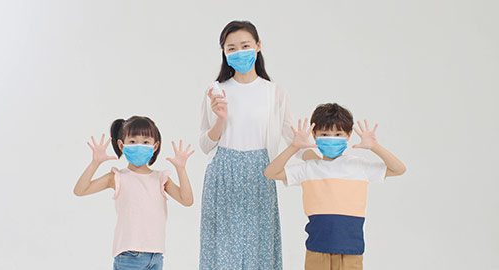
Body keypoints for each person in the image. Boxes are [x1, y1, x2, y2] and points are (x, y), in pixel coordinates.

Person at [199, 20, 316, 270]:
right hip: (223, 173)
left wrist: (322, 160)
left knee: (259, 251)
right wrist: (219, 119)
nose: (239, 52)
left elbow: (292, 138)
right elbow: (206, 145)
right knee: (222, 252)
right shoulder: (216, 91)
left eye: (245, 45)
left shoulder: (274, 92)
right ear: (224, 52)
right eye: (231, 48)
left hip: (260, 172)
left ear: (258, 46)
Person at [264, 103, 406, 270]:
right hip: (317, 248)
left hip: (351, 250)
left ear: (349, 135)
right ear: (314, 136)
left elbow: (399, 169)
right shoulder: (309, 168)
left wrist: (375, 147)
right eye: (324, 134)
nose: (332, 138)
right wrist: (294, 147)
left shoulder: (359, 167)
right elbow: (270, 173)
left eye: (338, 134)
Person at [73, 116, 195, 270]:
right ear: (121, 145)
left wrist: (181, 169)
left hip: (156, 256)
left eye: (146, 142)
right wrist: (95, 162)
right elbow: (80, 190)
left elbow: (187, 200)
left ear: (155, 146)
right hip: (129, 257)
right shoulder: (117, 177)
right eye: (132, 141)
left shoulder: (160, 178)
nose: (139, 146)